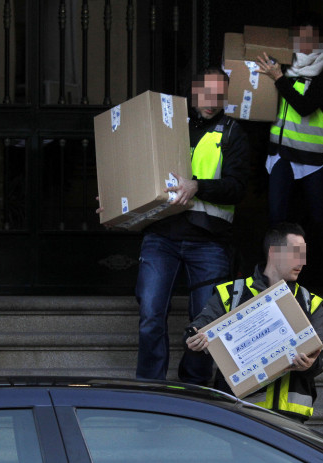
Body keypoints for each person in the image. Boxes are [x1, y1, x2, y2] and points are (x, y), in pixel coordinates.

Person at [116, 68, 249, 385]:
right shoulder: (169, 127)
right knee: (150, 314)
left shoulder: (233, 133)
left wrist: (198, 186)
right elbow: (137, 169)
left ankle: (195, 389)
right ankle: (150, 385)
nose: (212, 101)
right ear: (194, 90)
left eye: (220, 95)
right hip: (162, 234)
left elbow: (237, 188)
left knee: (205, 324)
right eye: (207, 93)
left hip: (209, 241)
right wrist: (115, 196)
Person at [186, 223, 323, 423]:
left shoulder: (309, 301)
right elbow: (201, 325)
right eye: (295, 253)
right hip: (241, 414)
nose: (302, 261)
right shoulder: (233, 293)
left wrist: (311, 365)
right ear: (273, 253)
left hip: (292, 418)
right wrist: (194, 336)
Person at [256, 14, 323, 297]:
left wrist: (279, 79)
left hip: (315, 158)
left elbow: (305, 106)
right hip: (281, 154)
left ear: (321, 38)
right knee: (275, 218)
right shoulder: (281, 63)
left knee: (321, 218)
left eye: (310, 38)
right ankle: (271, 282)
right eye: (299, 37)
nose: (304, 44)